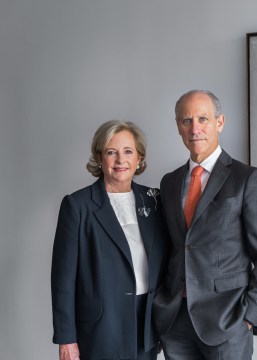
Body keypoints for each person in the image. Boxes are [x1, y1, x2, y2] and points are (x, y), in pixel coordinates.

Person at [153, 90, 257, 360]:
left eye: (203, 119)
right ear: (178, 127)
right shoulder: (170, 182)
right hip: (176, 320)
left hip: (228, 320)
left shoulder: (247, 179)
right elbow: (170, 247)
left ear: (219, 122)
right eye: (186, 120)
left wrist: (251, 315)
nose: (195, 128)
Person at [51, 120, 169, 360]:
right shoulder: (77, 205)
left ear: (139, 158)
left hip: (145, 324)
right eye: (111, 152)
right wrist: (66, 338)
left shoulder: (154, 199)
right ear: (99, 157)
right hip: (100, 328)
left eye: (128, 152)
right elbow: (62, 278)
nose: (120, 160)